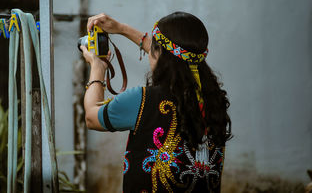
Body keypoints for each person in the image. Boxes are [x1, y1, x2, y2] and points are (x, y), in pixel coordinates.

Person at [80, 11, 232, 192]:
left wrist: (98, 68)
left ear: (159, 52)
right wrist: (121, 29)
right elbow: (176, 54)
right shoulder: (215, 100)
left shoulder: (142, 100)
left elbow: (91, 117)